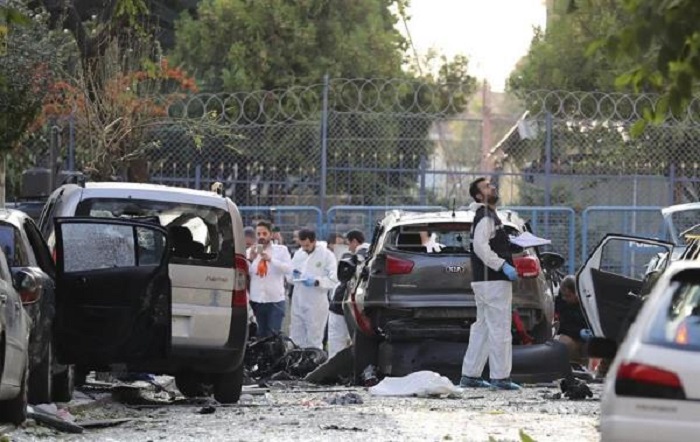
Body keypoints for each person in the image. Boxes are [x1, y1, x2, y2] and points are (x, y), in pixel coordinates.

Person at [460, 177, 521, 390]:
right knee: (500, 329)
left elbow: (488, 243)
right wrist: (502, 264)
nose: (492, 186)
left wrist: (509, 245)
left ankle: (470, 374)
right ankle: (500, 377)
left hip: (484, 281)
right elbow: (480, 247)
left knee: (483, 328)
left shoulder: (487, 216)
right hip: (494, 281)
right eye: (486, 186)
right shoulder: (486, 216)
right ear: (479, 196)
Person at [290, 229, 338, 350]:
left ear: (314, 241)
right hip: (298, 301)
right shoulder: (299, 254)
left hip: (316, 303)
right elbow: (290, 276)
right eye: (302, 245)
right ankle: (297, 365)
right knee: (296, 337)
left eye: (307, 245)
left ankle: (314, 366)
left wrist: (317, 281)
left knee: (314, 338)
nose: (305, 248)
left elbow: (333, 279)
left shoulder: (327, 255)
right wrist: (293, 276)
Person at [247, 221, 293, 338]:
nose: (261, 236)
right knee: (259, 335)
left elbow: (288, 269)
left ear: (271, 235)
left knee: (273, 335)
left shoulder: (281, 250)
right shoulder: (250, 251)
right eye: (258, 234)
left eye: (264, 233)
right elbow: (247, 275)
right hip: (257, 300)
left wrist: (271, 260)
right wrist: (251, 260)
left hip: (275, 300)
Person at [327, 229, 368, 359]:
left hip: (341, 303)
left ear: (354, 241)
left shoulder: (355, 256)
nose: (348, 247)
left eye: (348, 243)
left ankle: (333, 371)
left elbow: (342, 278)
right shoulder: (374, 254)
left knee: (336, 340)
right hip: (362, 305)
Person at [554, 275, 592, 366]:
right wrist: (579, 332)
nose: (564, 298)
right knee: (565, 344)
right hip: (569, 335)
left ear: (577, 294)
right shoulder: (561, 302)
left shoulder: (588, 302)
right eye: (563, 295)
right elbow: (562, 325)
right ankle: (571, 366)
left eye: (568, 296)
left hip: (586, 337)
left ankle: (587, 368)